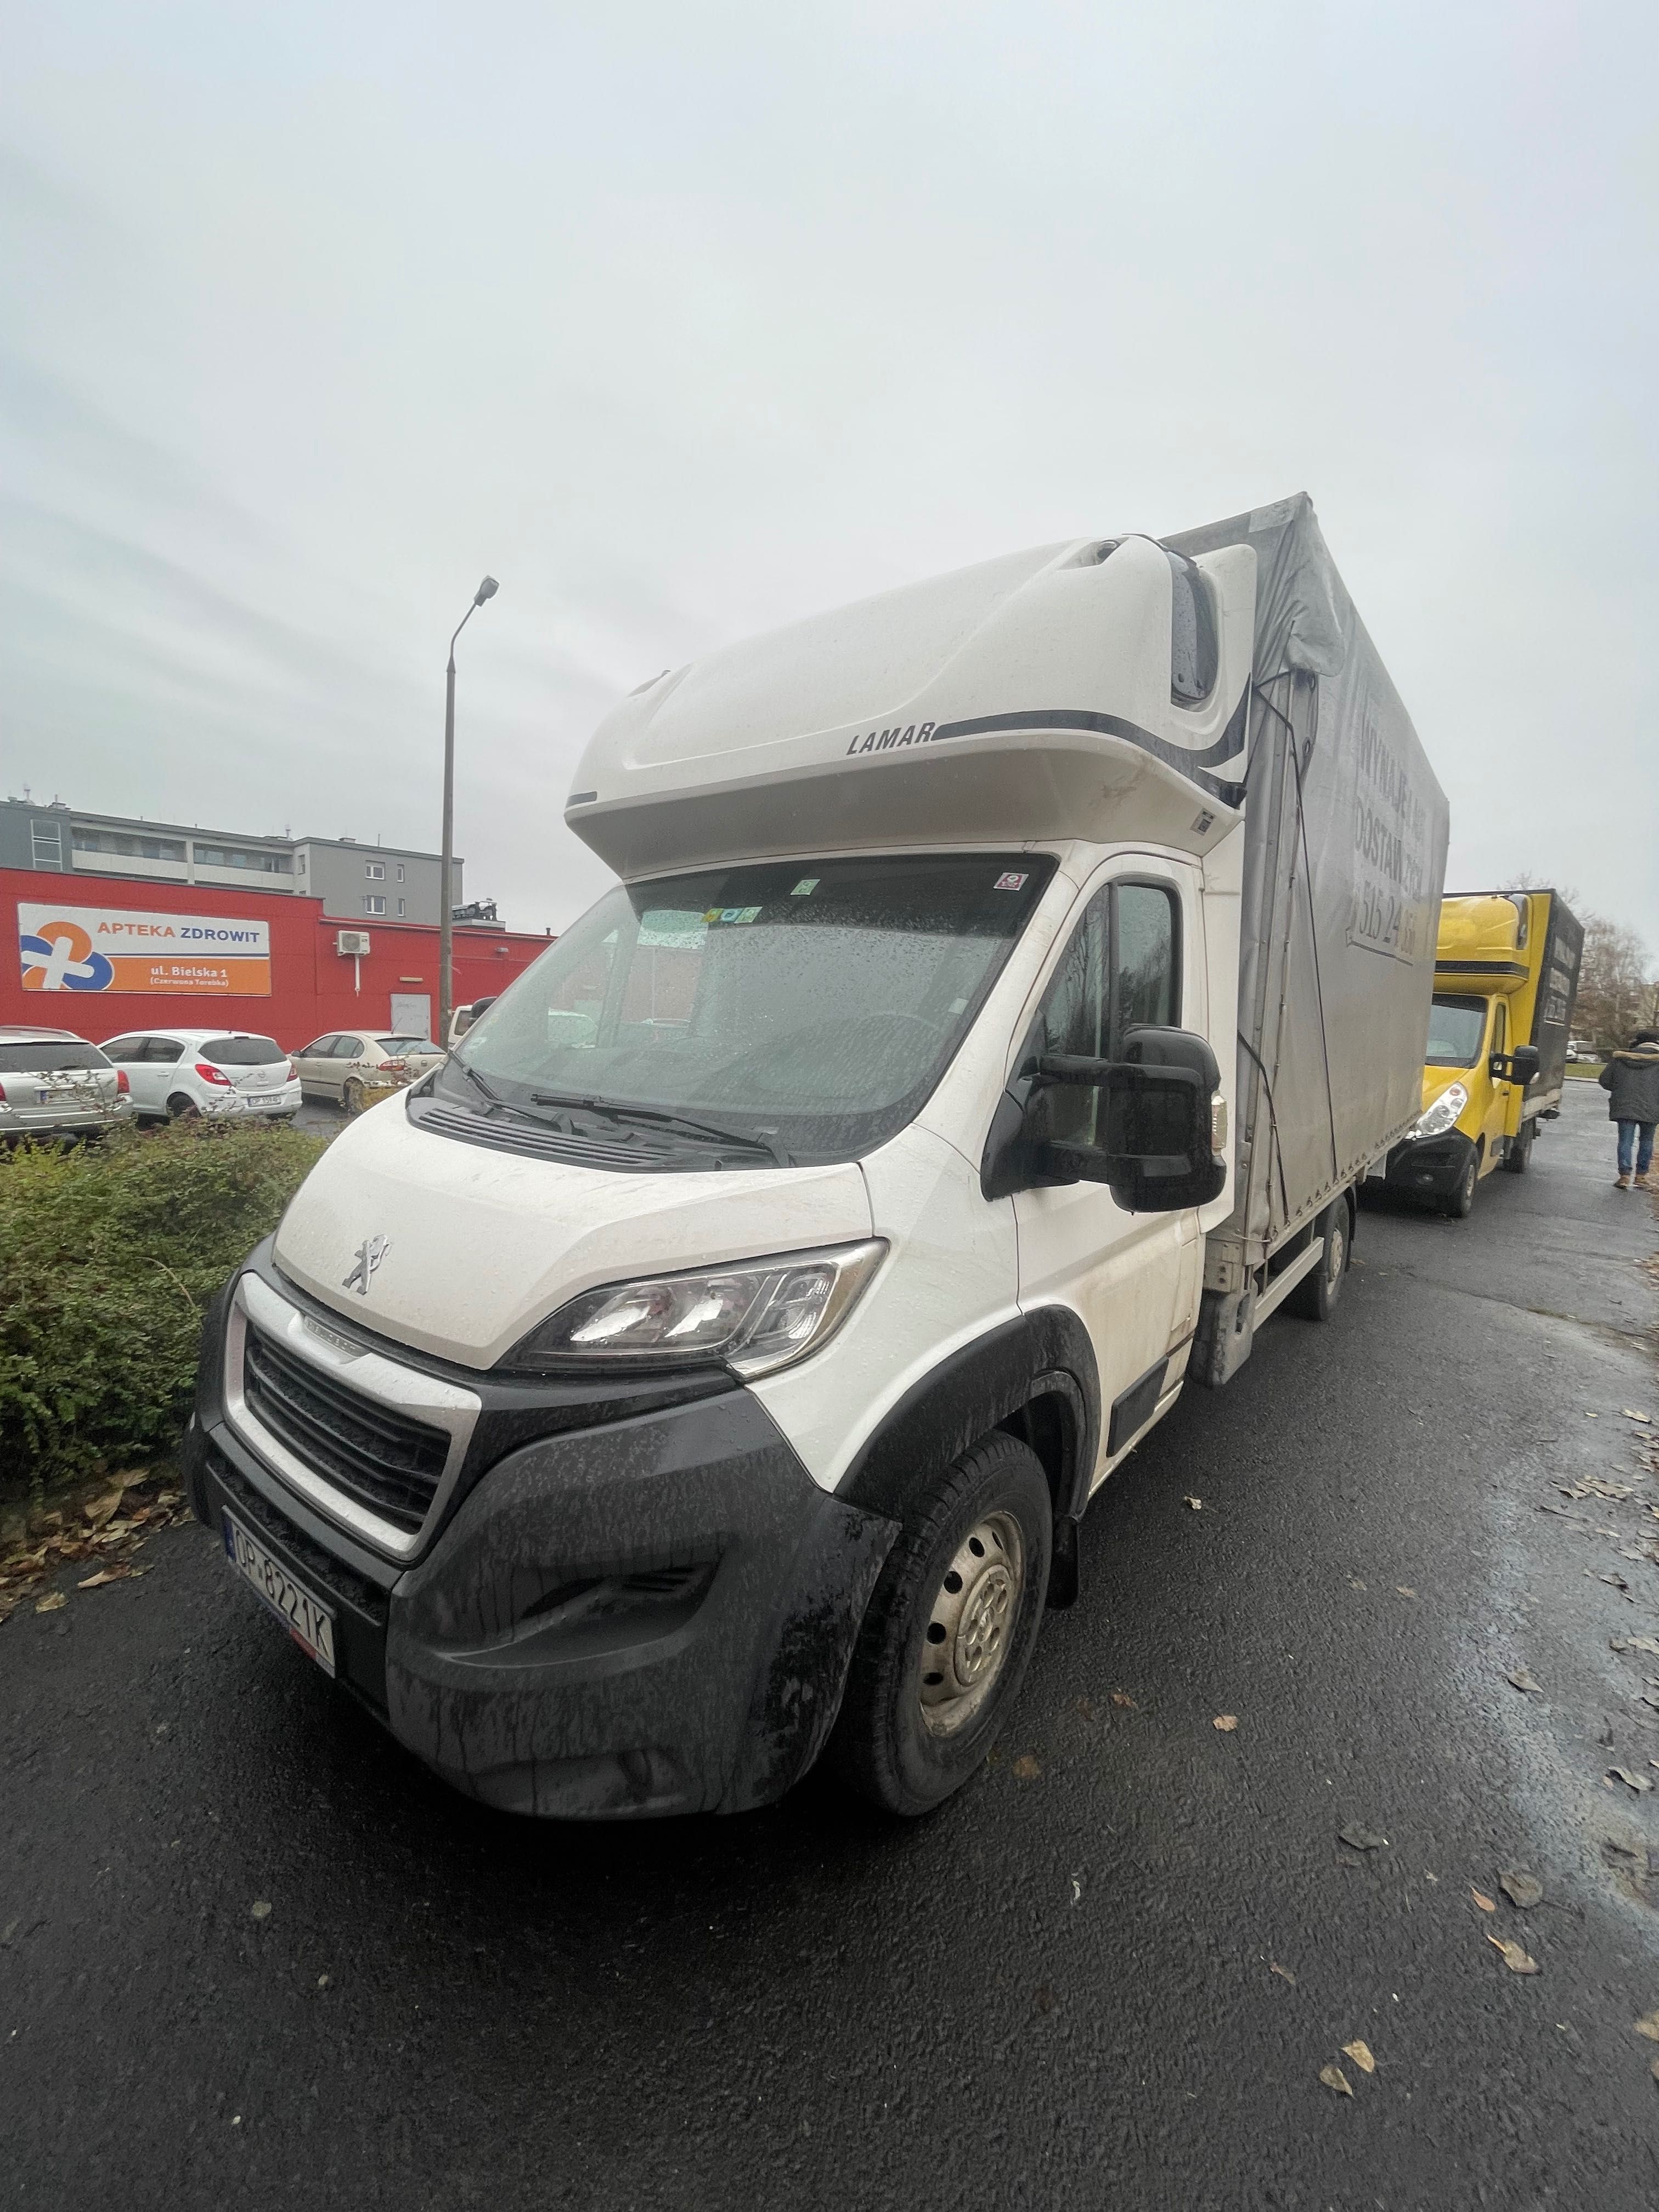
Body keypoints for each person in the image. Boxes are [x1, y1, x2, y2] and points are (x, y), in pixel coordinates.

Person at [1599, 1030, 1659, 1190]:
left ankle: (1624, 1176)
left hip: (1625, 1106)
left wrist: (1620, 1089)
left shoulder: (1621, 1059)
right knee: (1647, 1141)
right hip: (1652, 1107)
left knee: (1626, 1141)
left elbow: (1605, 1081)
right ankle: (1641, 1176)